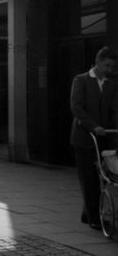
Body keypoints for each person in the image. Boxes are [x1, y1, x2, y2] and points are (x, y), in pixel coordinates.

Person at [70, 46, 118, 230]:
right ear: (97, 61)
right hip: (84, 137)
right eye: (106, 65)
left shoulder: (111, 84)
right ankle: (94, 218)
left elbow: (115, 109)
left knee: (102, 177)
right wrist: (93, 126)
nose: (109, 70)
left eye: (112, 67)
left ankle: (87, 213)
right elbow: (76, 107)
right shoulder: (81, 80)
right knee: (89, 178)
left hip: (104, 136)